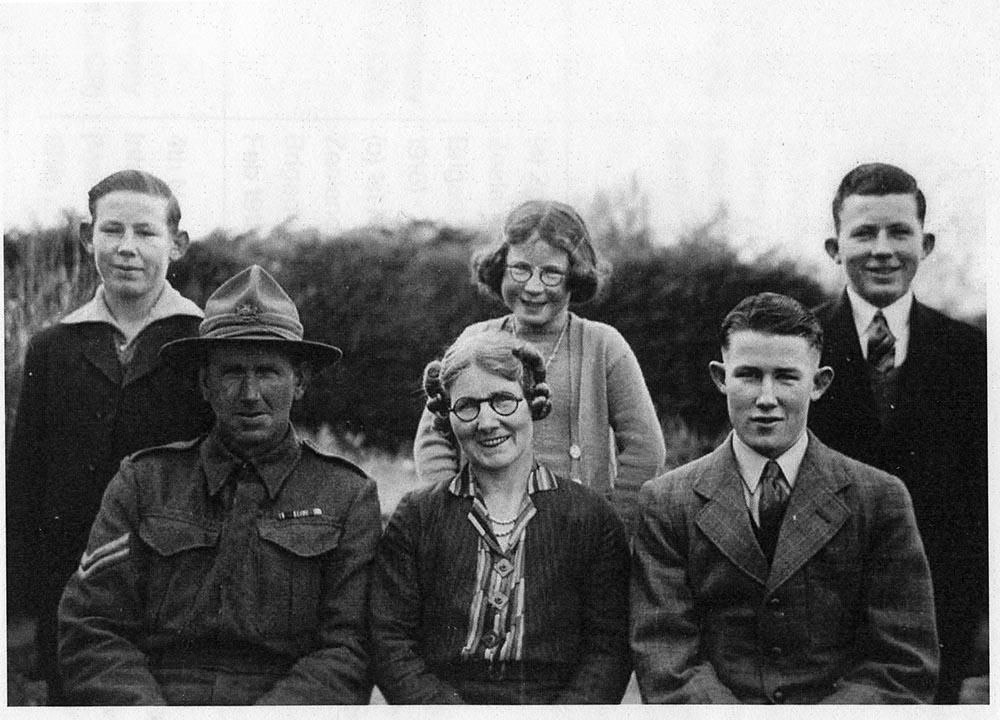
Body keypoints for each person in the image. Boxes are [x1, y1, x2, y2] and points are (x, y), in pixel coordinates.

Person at [58, 265, 382, 705]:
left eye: (268, 372)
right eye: (231, 373)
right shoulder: (143, 481)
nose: (249, 394)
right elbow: (92, 626)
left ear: (300, 382)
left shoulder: (346, 497)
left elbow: (349, 649)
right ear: (204, 384)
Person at [631, 292, 938, 704]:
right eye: (749, 375)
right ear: (721, 378)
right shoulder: (667, 502)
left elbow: (903, 660)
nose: (766, 398)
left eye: (787, 377)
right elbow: (665, 654)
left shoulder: (879, 499)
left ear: (819, 383)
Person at [6, 169, 213, 703]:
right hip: (67, 597)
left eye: (145, 233)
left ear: (177, 244)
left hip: (175, 599)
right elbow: (23, 487)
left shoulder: (202, 345)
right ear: (86, 237)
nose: (127, 248)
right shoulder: (53, 349)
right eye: (111, 230)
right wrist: (22, 622)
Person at [372, 330, 631, 703]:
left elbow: (608, 650)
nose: (487, 421)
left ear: (533, 403)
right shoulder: (417, 517)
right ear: (448, 416)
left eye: (503, 400)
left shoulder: (591, 518)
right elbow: (390, 640)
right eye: (468, 406)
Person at [809, 163, 988, 703]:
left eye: (899, 232)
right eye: (864, 233)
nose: (882, 249)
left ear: (925, 243)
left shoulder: (974, 356)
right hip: (819, 621)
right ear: (834, 247)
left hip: (937, 620)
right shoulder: (798, 347)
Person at [413, 200, 665, 532]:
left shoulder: (603, 345)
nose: (533, 287)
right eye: (521, 269)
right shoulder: (475, 340)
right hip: (486, 530)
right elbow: (434, 438)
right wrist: (451, 515)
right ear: (501, 267)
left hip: (577, 535)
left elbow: (645, 448)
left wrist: (612, 526)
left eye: (551, 273)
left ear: (574, 277)